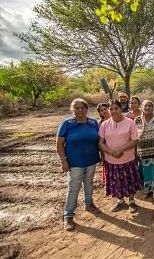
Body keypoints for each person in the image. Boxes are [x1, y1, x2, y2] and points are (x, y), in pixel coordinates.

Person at [56, 98, 101, 231]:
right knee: (73, 187)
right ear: (73, 110)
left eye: (82, 108)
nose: (80, 110)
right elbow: (59, 144)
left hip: (91, 160)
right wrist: (63, 160)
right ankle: (68, 215)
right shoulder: (67, 124)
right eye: (77, 108)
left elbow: (99, 140)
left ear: (87, 109)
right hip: (75, 162)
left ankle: (89, 203)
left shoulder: (93, 122)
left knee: (89, 183)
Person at [99, 99, 141, 213]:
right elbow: (100, 142)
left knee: (129, 181)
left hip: (128, 159)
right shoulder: (104, 124)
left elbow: (135, 140)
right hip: (111, 160)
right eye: (111, 109)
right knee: (116, 182)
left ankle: (132, 201)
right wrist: (112, 152)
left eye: (116, 108)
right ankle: (120, 200)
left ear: (121, 108)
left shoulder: (129, 122)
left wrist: (121, 149)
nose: (113, 111)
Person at [135, 100, 154, 198]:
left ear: (153, 107)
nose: (148, 108)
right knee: (146, 172)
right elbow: (135, 137)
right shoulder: (137, 120)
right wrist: (136, 153)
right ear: (142, 107)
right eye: (145, 106)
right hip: (142, 152)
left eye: (150, 106)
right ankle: (148, 191)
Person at [97, 102, 111, 185]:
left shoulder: (115, 118)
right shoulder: (100, 123)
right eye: (101, 110)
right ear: (99, 113)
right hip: (105, 148)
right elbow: (100, 140)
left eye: (105, 109)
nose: (104, 111)